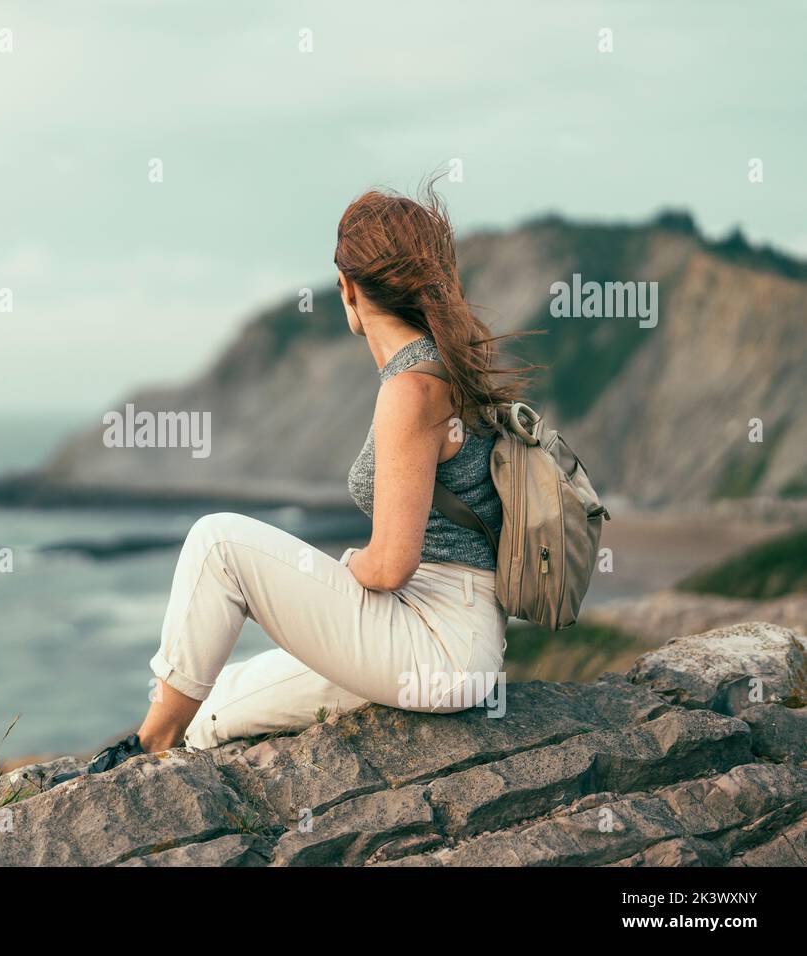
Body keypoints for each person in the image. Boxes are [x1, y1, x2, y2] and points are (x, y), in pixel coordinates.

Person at [60, 183, 532, 782]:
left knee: (218, 541)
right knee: (215, 708)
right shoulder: (444, 367)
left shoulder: (412, 389)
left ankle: (148, 748)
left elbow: (390, 567)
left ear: (348, 288)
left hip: (439, 644)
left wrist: (336, 575)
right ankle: (178, 742)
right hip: (450, 636)